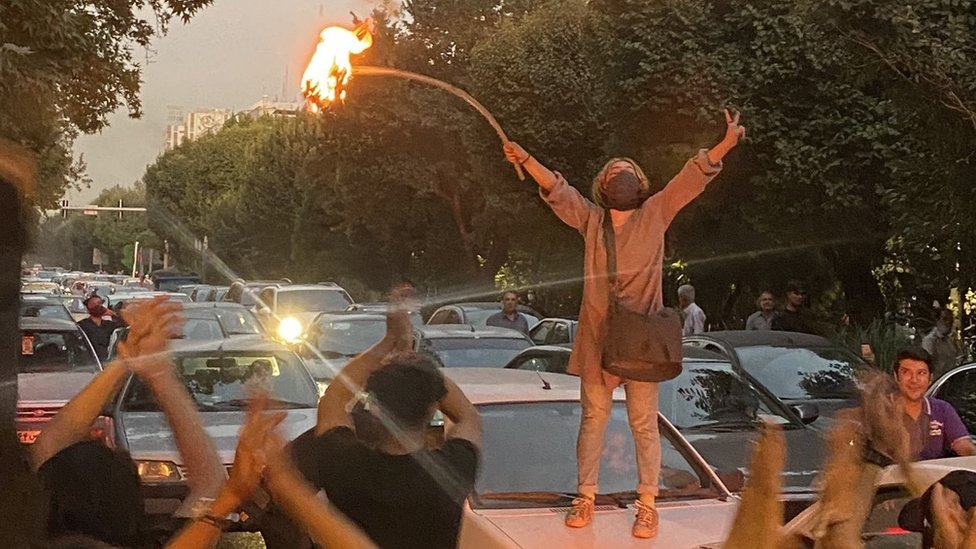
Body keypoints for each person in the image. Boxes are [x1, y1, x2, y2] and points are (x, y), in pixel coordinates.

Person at [503, 108, 745, 539]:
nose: (621, 175)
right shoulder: (592, 221)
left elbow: (691, 178)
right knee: (593, 419)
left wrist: (726, 142)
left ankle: (647, 503)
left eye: (628, 171)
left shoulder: (656, 213)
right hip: (599, 342)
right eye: (615, 172)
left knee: (643, 424)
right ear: (603, 185)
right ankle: (586, 496)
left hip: (643, 344)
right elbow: (557, 189)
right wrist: (524, 160)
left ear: (641, 184)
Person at [270, 286, 482, 549]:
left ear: (375, 409)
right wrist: (413, 365)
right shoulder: (452, 471)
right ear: (432, 409)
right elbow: (467, 415)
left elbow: (334, 399)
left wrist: (388, 341)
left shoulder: (346, 465)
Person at [894, 346, 976, 461]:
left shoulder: (942, 409)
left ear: (930, 378)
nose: (914, 380)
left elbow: (963, 445)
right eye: (906, 372)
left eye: (921, 373)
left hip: (933, 478)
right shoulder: (880, 409)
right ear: (896, 376)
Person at [76, 292, 121, 361]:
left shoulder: (108, 325)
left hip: (103, 361)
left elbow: (124, 325)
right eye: (95, 304)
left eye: (100, 304)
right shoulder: (82, 325)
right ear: (88, 308)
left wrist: (113, 314)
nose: (99, 306)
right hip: (87, 362)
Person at [922, 309, 958, 378]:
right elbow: (926, 365)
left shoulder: (949, 342)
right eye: (945, 319)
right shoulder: (930, 340)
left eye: (951, 320)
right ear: (937, 321)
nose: (948, 323)